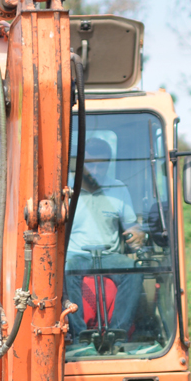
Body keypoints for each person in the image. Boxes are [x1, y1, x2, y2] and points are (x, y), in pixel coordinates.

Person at [65, 137, 145, 343]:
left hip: (109, 256)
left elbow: (132, 226)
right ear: (80, 162)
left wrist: (137, 233)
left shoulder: (118, 188)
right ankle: (80, 336)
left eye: (103, 165)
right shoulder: (66, 189)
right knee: (64, 271)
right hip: (76, 256)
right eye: (91, 164)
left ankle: (117, 334)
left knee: (134, 269)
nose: (97, 170)